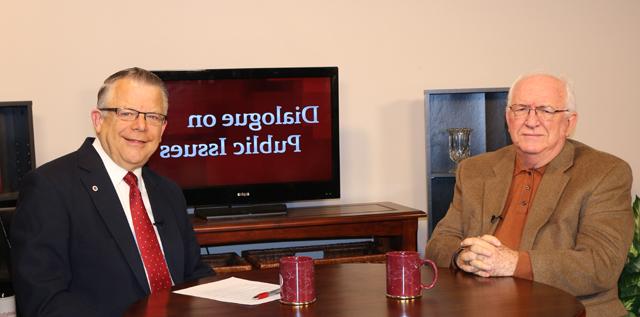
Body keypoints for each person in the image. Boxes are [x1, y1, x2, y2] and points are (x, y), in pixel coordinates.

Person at [425, 73, 633, 316]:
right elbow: (438, 244)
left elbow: (601, 264)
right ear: (508, 117)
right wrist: (462, 255)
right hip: (484, 307)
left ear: (569, 122)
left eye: (546, 110)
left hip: (571, 310)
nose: (531, 121)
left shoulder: (605, 173)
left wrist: (513, 263)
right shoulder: (474, 170)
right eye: (521, 109)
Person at [11, 67, 213, 316]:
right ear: (98, 120)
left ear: (163, 129)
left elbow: (194, 274)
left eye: (153, 116)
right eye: (126, 113)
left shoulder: (168, 191)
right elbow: (43, 301)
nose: (141, 126)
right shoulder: (49, 187)